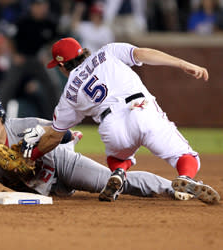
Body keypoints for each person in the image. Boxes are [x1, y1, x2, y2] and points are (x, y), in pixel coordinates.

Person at [20, 37, 220, 204]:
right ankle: (185, 177)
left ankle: (118, 173)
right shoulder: (107, 52)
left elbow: (54, 135)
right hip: (142, 110)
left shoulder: (69, 94)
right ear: (82, 52)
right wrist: (181, 63)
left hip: (111, 125)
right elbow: (142, 54)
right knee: (186, 156)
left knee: (118, 157)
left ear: (62, 65)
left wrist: (32, 156)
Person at [0, 93, 193, 201]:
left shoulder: (22, 125)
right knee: (50, 190)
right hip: (43, 189)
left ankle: (174, 187)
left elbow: (58, 131)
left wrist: (71, 139)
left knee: (110, 183)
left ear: (2, 117)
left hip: (62, 164)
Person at [0, 0, 61, 119]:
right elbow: (10, 39)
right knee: (7, 86)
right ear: (32, 7)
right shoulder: (22, 21)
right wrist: (14, 55)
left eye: (44, 6)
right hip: (22, 59)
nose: (42, 9)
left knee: (53, 84)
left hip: (38, 59)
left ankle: (58, 119)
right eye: (38, 6)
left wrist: (47, 54)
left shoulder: (50, 22)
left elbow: (53, 42)